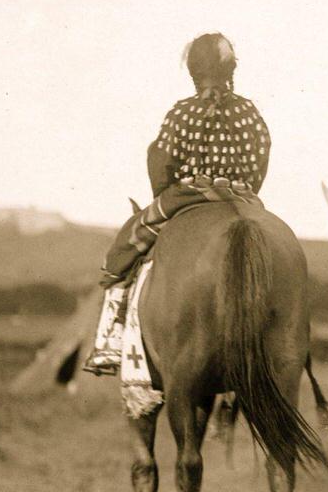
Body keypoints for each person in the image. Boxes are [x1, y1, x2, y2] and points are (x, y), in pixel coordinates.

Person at [81, 33, 271, 374]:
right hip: (243, 198)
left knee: (124, 250)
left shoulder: (181, 113)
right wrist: (243, 188)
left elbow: (162, 163)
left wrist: (165, 193)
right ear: (231, 69)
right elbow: (261, 157)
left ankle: (109, 341)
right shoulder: (249, 111)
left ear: (194, 72)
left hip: (187, 197)